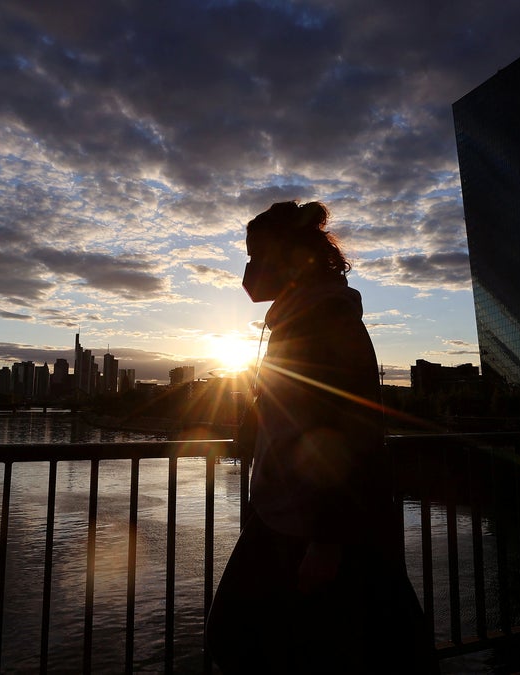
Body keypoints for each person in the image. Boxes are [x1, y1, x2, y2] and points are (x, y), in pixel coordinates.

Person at [207, 201, 436, 674]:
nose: (247, 272)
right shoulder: (298, 320)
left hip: (312, 525)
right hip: (287, 517)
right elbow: (297, 407)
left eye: (254, 258)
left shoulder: (322, 321)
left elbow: (349, 429)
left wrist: (329, 539)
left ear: (287, 261)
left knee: (241, 639)